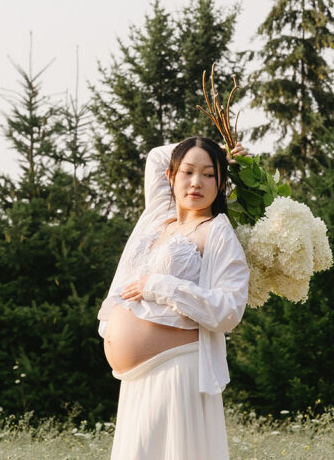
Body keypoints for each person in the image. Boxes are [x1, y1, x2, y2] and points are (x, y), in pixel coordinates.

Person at [98, 136, 250, 459]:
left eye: (210, 174)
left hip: (177, 375)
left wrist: (160, 286)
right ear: (172, 176)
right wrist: (218, 150)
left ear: (221, 182)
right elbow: (155, 157)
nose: (197, 182)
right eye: (188, 172)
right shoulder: (160, 213)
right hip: (136, 380)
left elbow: (230, 309)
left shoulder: (217, 231)